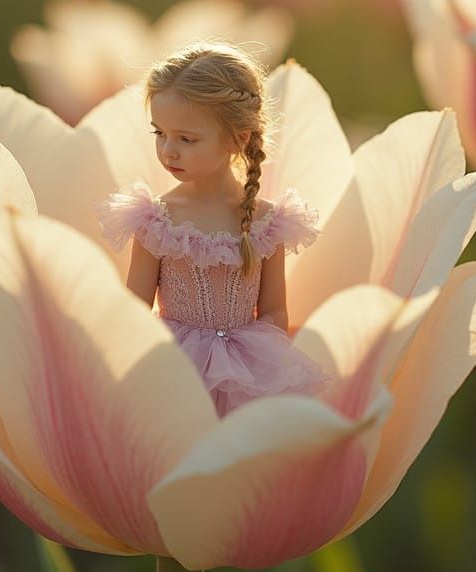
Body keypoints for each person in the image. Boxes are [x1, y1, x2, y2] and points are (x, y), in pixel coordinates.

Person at [96, 42, 328, 417]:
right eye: (159, 133)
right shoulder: (157, 219)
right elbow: (134, 309)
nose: (168, 150)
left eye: (186, 139)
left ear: (238, 138)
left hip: (249, 372)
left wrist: (254, 366)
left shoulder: (268, 221)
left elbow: (273, 311)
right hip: (174, 369)